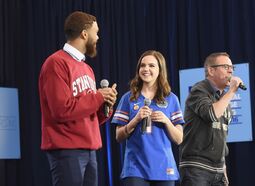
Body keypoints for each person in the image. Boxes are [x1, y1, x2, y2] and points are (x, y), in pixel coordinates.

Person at [38, 11, 117, 186]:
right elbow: (61, 110)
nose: (98, 38)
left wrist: (105, 106)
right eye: (96, 33)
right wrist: (97, 97)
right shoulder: (56, 63)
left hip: (90, 149)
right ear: (84, 33)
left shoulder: (87, 69)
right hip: (66, 149)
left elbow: (87, 115)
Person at [112, 50, 184, 186]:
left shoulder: (171, 99)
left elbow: (179, 139)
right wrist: (136, 119)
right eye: (142, 65)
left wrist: (166, 121)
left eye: (151, 65)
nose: (146, 69)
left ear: (160, 70)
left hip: (164, 168)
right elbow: (118, 136)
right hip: (135, 168)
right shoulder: (128, 98)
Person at [179, 52, 244, 186]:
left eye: (232, 67)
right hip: (197, 168)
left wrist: (223, 169)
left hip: (218, 170)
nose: (231, 70)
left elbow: (222, 135)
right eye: (226, 66)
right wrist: (231, 91)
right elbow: (211, 115)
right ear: (211, 70)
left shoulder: (223, 100)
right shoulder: (199, 90)